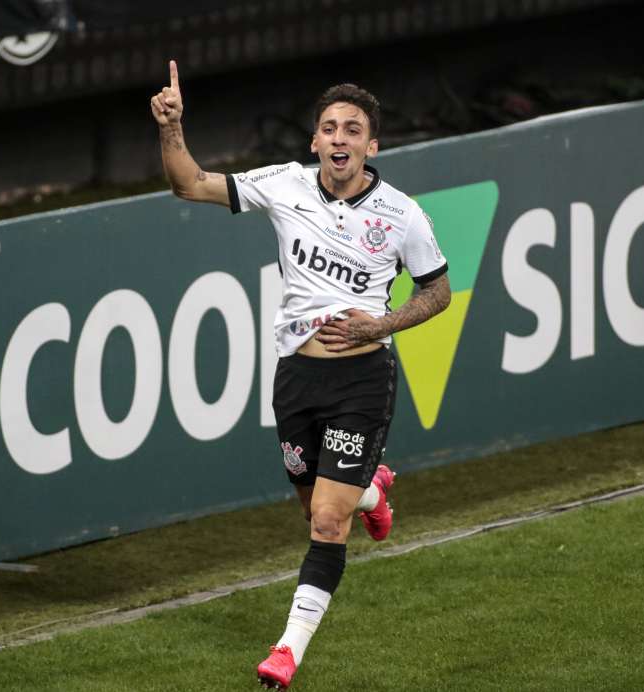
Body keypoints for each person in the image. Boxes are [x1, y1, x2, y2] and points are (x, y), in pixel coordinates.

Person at [150, 60, 450, 690]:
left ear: (372, 145)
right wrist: (172, 129)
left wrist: (381, 325)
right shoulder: (284, 184)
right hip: (296, 378)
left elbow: (439, 292)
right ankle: (372, 489)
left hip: (361, 379)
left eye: (352, 130)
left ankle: (287, 650)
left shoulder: (401, 215)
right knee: (316, 502)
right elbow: (189, 185)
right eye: (329, 128)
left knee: (325, 523)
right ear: (314, 141)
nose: (339, 139)